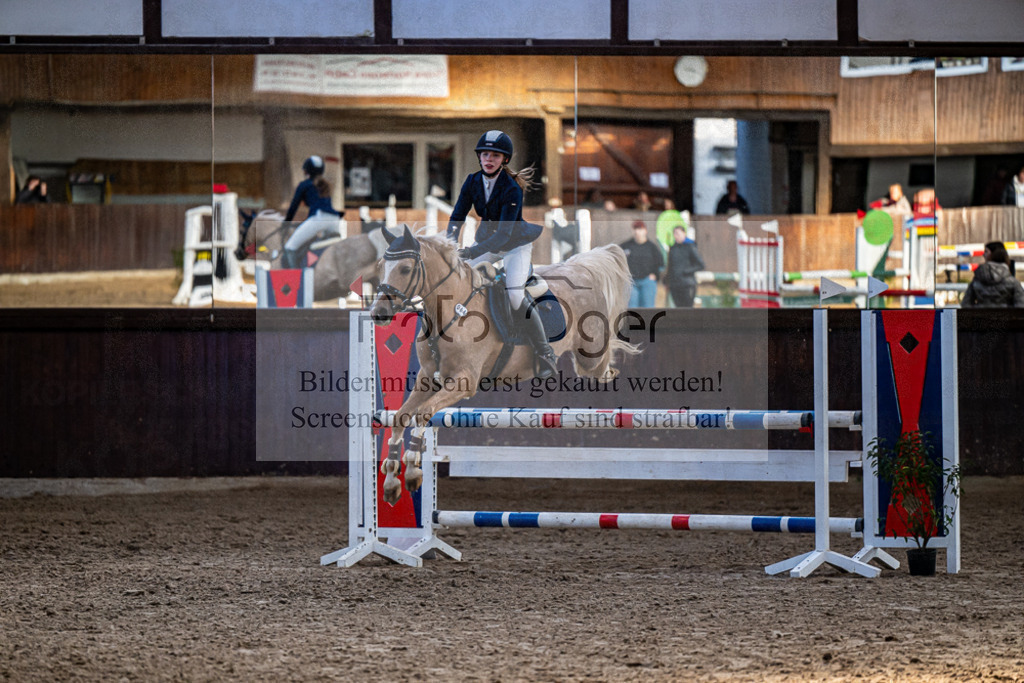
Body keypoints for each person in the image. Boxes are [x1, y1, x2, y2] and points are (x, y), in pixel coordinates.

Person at [446, 130, 557, 380]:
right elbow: (457, 216)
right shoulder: (472, 181)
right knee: (459, 278)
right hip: (487, 241)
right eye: (485, 154)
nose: (488, 159)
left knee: (515, 293)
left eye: (495, 155)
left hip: (514, 245)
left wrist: (471, 251)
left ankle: (545, 351)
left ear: (504, 160)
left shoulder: (511, 188)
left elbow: (505, 235)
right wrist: (449, 245)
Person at [281, 155, 343, 269]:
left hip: (319, 218)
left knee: (290, 247)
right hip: (334, 220)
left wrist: (286, 222)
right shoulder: (326, 184)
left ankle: (297, 278)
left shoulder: (304, 185)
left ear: (306, 170)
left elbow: (293, 207)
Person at [960, 241, 1024, 308]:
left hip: (981, 317)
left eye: (986, 251)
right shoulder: (1012, 281)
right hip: (1005, 317)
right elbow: (1020, 305)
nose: (983, 255)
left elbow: (966, 304)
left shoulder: (978, 277)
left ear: (994, 254)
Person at [620, 220, 664, 308]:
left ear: (645, 231)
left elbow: (660, 264)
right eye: (635, 229)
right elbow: (617, 260)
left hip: (647, 281)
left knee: (648, 308)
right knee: (632, 308)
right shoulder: (625, 246)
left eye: (640, 229)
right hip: (631, 282)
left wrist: (656, 275)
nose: (637, 231)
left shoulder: (652, 247)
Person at [665, 226, 705, 308]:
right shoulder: (673, 248)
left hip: (687, 284)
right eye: (675, 234)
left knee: (687, 308)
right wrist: (667, 280)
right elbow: (670, 266)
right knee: (678, 308)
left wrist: (687, 271)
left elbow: (700, 265)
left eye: (678, 233)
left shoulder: (690, 246)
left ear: (684, 234)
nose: (676, 236)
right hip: (675, 284)